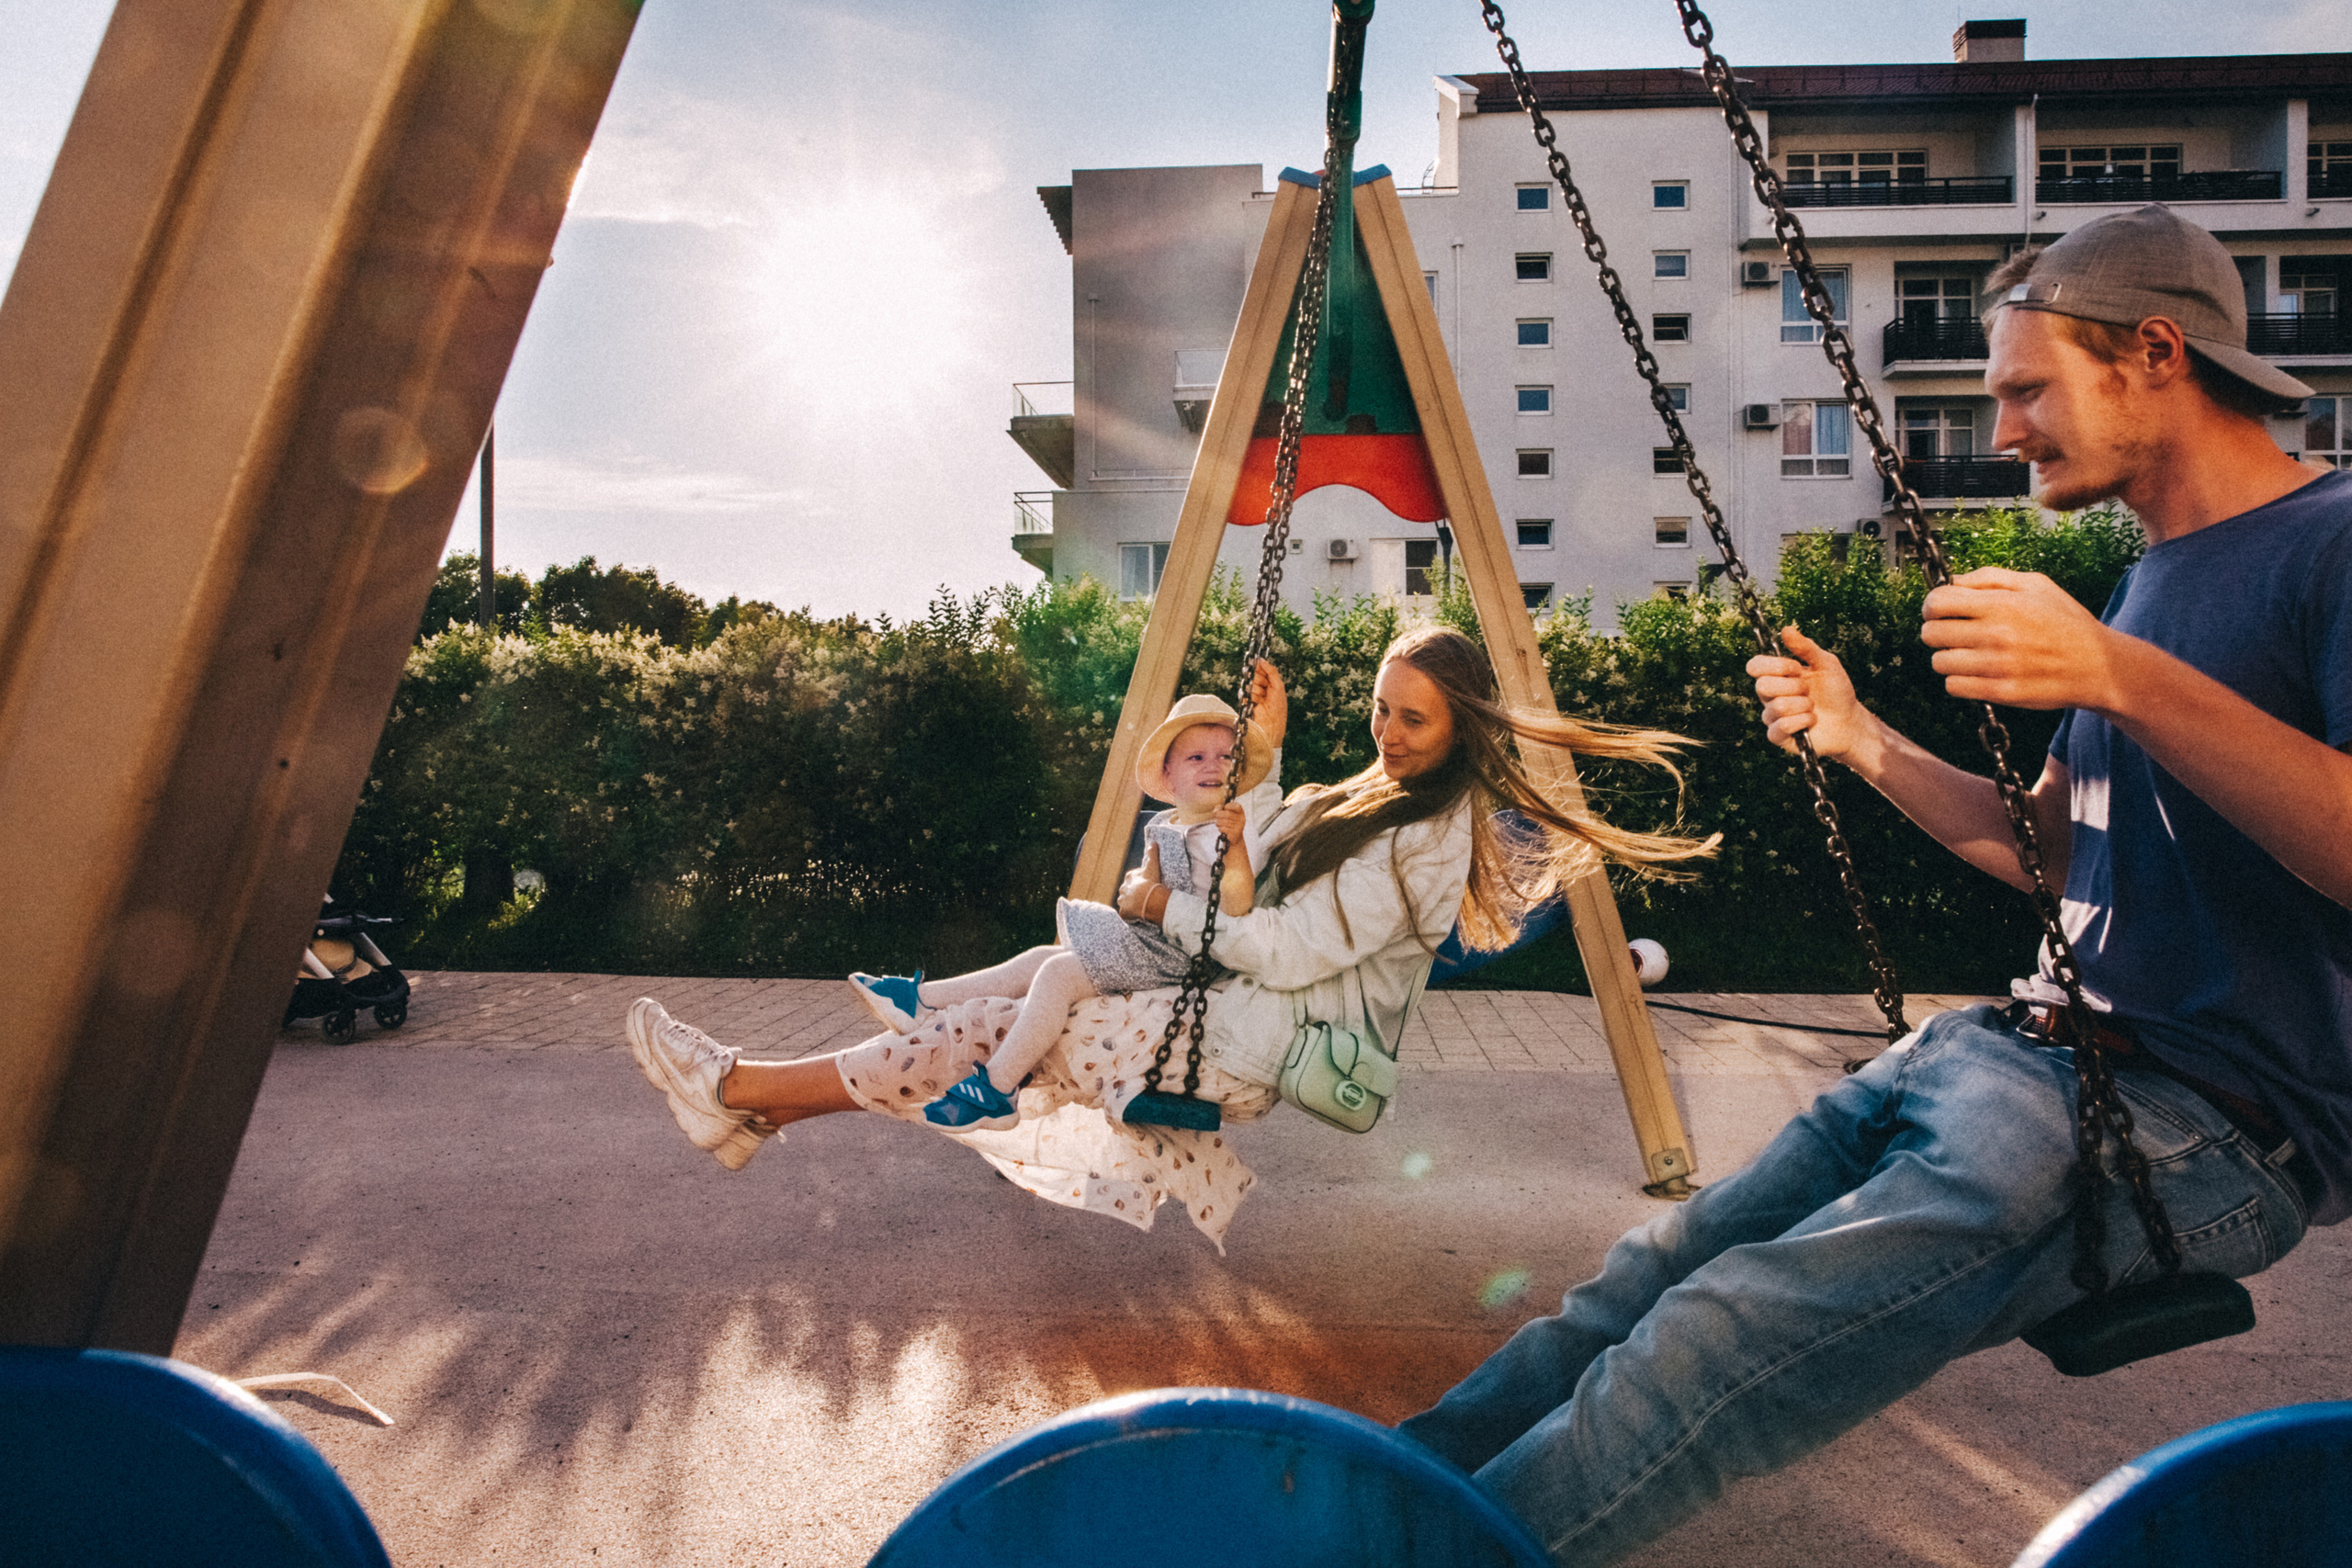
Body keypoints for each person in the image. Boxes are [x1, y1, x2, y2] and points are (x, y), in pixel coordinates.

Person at [1397, 203, 2352, 1565]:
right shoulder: (2148, 584)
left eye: (2028, 389)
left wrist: (2117, 675)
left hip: (2197, 1121)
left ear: (2155, 351)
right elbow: (2052, 851)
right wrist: (1864, 739)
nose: (2006, 430)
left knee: (1718, 1344)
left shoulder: (2329, 544)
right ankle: (1351, 1500)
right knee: (1643, 1284)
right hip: (1998, 1048)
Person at [625, 626, 1710, 1251]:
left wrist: (1175, 908)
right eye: (1380, 705)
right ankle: (746, 1104)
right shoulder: (1383, 796)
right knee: (998, 1019)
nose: (1385, 730)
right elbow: (1271, 855)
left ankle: (742, 1094)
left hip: (1239, 1039)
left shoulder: (1424, 841)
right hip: (1221, 1008)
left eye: (1410, 718)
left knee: (994, 1027)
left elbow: (1279, 946)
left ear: (1459, 726)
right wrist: (1269, 764)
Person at [845, 678, 1286, 1134]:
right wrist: (1139, 891)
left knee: (1058, 976)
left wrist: (1233, 849)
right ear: (1170, 777)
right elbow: (1145, 890)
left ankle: (998, 1089)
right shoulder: (1165, 823)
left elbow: (1235, 908)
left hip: (1185, 957)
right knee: (1042, 958)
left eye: (1225, 756)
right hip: (1151, 940)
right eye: (1196, 757)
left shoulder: (1229, 829)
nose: (1213, 766)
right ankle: (920, 1001)